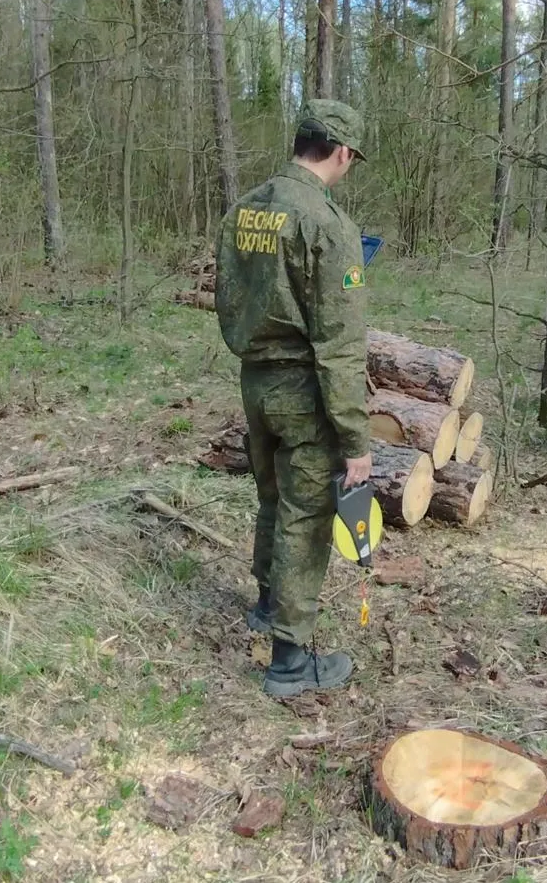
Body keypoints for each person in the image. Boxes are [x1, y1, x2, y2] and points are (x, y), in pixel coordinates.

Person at [214, 99, 371, 698]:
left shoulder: (244, 209)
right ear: (341, 152)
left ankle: (265, 604)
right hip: (303, 389)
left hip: (255, 380)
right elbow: (340, 343)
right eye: (352, 157)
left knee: (273, 498)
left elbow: (230, 296)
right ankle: (289, 660)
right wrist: (355, 439)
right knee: (305, 516)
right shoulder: (327, 224)